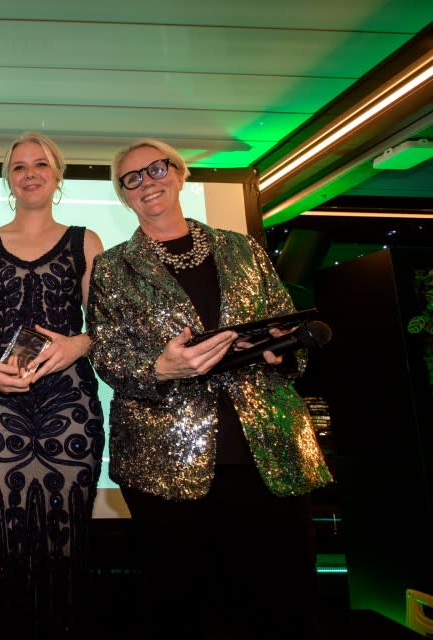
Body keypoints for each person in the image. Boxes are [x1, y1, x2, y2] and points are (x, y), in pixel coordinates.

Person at [88, 138, 334, 639]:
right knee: (184, 602)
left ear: (178, 175)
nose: (145, 183)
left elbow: (288, 333)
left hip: (267, 446)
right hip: (164, 459)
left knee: (282, 598)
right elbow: (107, 354)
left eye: (155, 169)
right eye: (130, 179)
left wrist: (281, 349)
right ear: (123, 196)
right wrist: (161, 367)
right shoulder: (113, 267)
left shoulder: (243, 248)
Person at [0, 131, 105, 638]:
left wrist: (76, 345)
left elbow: (103, 327)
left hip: (70, 406)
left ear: (57, 174)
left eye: (41, 164)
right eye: (19, 167)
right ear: (9, 179)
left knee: (64, 540)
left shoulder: (86, 241)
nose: (31, 173)